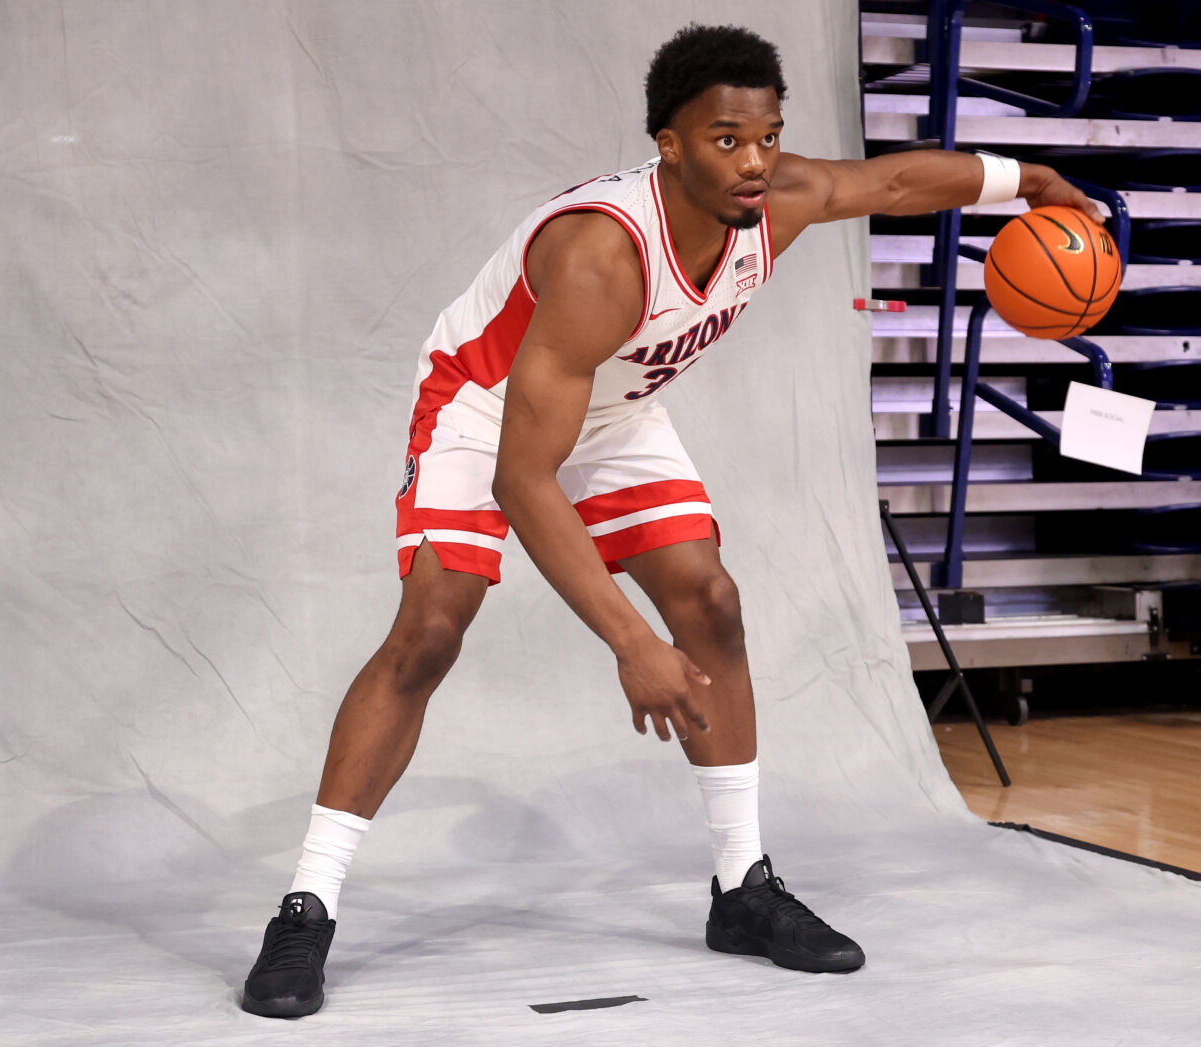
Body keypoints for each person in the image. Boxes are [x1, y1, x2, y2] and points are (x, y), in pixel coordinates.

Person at [240, 23, 1099, 1020]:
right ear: (670, 144)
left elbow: (894, 184)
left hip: (611, 409)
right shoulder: (603, 254)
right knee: (432, 629)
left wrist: (1026, 177)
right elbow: (524, 478)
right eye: (726, 139)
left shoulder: (773, 204)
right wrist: (629, 642)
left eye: (767, 136)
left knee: (713, 603)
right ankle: (305, 904)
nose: (753, 160)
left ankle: (741, 888)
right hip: (483, 409)